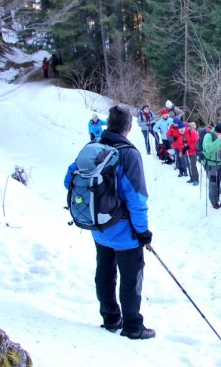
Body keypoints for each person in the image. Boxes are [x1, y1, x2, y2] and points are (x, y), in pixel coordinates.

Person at [63, 104, 155, 340]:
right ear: (130, 126)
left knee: (104, 272)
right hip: (123, 230)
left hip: (97, 224)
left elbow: (69, 181)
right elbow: (137, 198)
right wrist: (143, 232)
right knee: (130, 277)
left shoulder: (92, 147)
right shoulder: (129, 154)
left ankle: (110, 318)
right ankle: (133, 325)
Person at [202, 123, 221, 208]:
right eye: (219, 133)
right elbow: (208, 149)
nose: (220, 135)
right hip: (211, 163)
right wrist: (219, 140)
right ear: (216, 132)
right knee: (213, 183)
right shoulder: (208, 136)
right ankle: (214, 201)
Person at [171, 119, 199, 185]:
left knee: (193, 166)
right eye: (180, 128)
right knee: (188, 165)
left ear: (184, 127)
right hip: (187, 152)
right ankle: (192, 178)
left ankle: (196, 179)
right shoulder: (180, 135)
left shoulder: (190, 132)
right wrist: (181, 151)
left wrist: (188, 147)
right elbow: (181, 145)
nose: (181, 130)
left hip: (193, 152)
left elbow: (196, 141)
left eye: (182, 128)